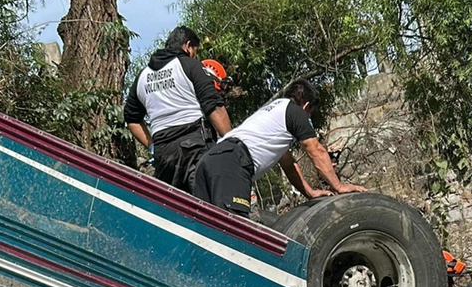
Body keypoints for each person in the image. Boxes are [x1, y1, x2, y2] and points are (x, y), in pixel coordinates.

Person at [192, 79, 365, 216]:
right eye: (311, 111)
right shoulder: (295, 112)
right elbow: (316, 151)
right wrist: (338, 186)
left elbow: (288, 164)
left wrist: (310, 192)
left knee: (206, 229)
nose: (309, 116)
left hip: (209, 160)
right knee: (232, 232)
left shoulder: (272, 113)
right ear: (306, 106)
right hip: (231, 164)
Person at [123, 26, 233, 192]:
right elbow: (215, 108)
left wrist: (152, 145)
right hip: (195, 148)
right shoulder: (190, 65)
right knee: (208, 205)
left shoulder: (142, 76)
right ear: (188, 46)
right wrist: (232, 143)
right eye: (195, 51)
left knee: (176, 209)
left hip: (164, 155)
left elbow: (131, 120)